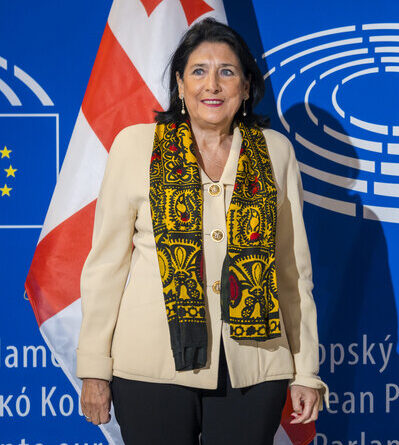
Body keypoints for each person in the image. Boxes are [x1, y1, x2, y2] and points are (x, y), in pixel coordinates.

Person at [76, 18, 325, 444]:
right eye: (198, 71)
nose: (213, 84)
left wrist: (306, 371)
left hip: (254, 367)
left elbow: (291, 273)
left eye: (227, 72)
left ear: (246, 87)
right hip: (150, 368)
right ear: (179, 84)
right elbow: (106, 267)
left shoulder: (275, 153)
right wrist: (94, 368)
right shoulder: (135, 146)